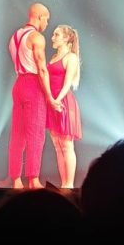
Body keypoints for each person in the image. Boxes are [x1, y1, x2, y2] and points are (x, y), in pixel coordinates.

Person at [8, 2, 61, 189]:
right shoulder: (36, 37)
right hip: (32, 84)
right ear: (39, 17)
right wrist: (50, 98)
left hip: (18, 84)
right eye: (46, 19)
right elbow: (41, 69)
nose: (47, 24)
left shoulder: (14, 36)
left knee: (17, 134)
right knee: (35, 133)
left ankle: (15, 179)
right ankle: (33, 179)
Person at [46, 24, 82, 189]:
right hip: (52, 102)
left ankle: (69, 184)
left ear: (66, 38)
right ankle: (64, 183)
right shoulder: (53, 57)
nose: (53, 37)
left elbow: (67, 83)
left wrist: (57, 100)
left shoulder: (71, 57)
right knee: (57, 146)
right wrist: (50, 100)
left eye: (56, 35)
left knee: (67, 145)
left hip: (63, 102)